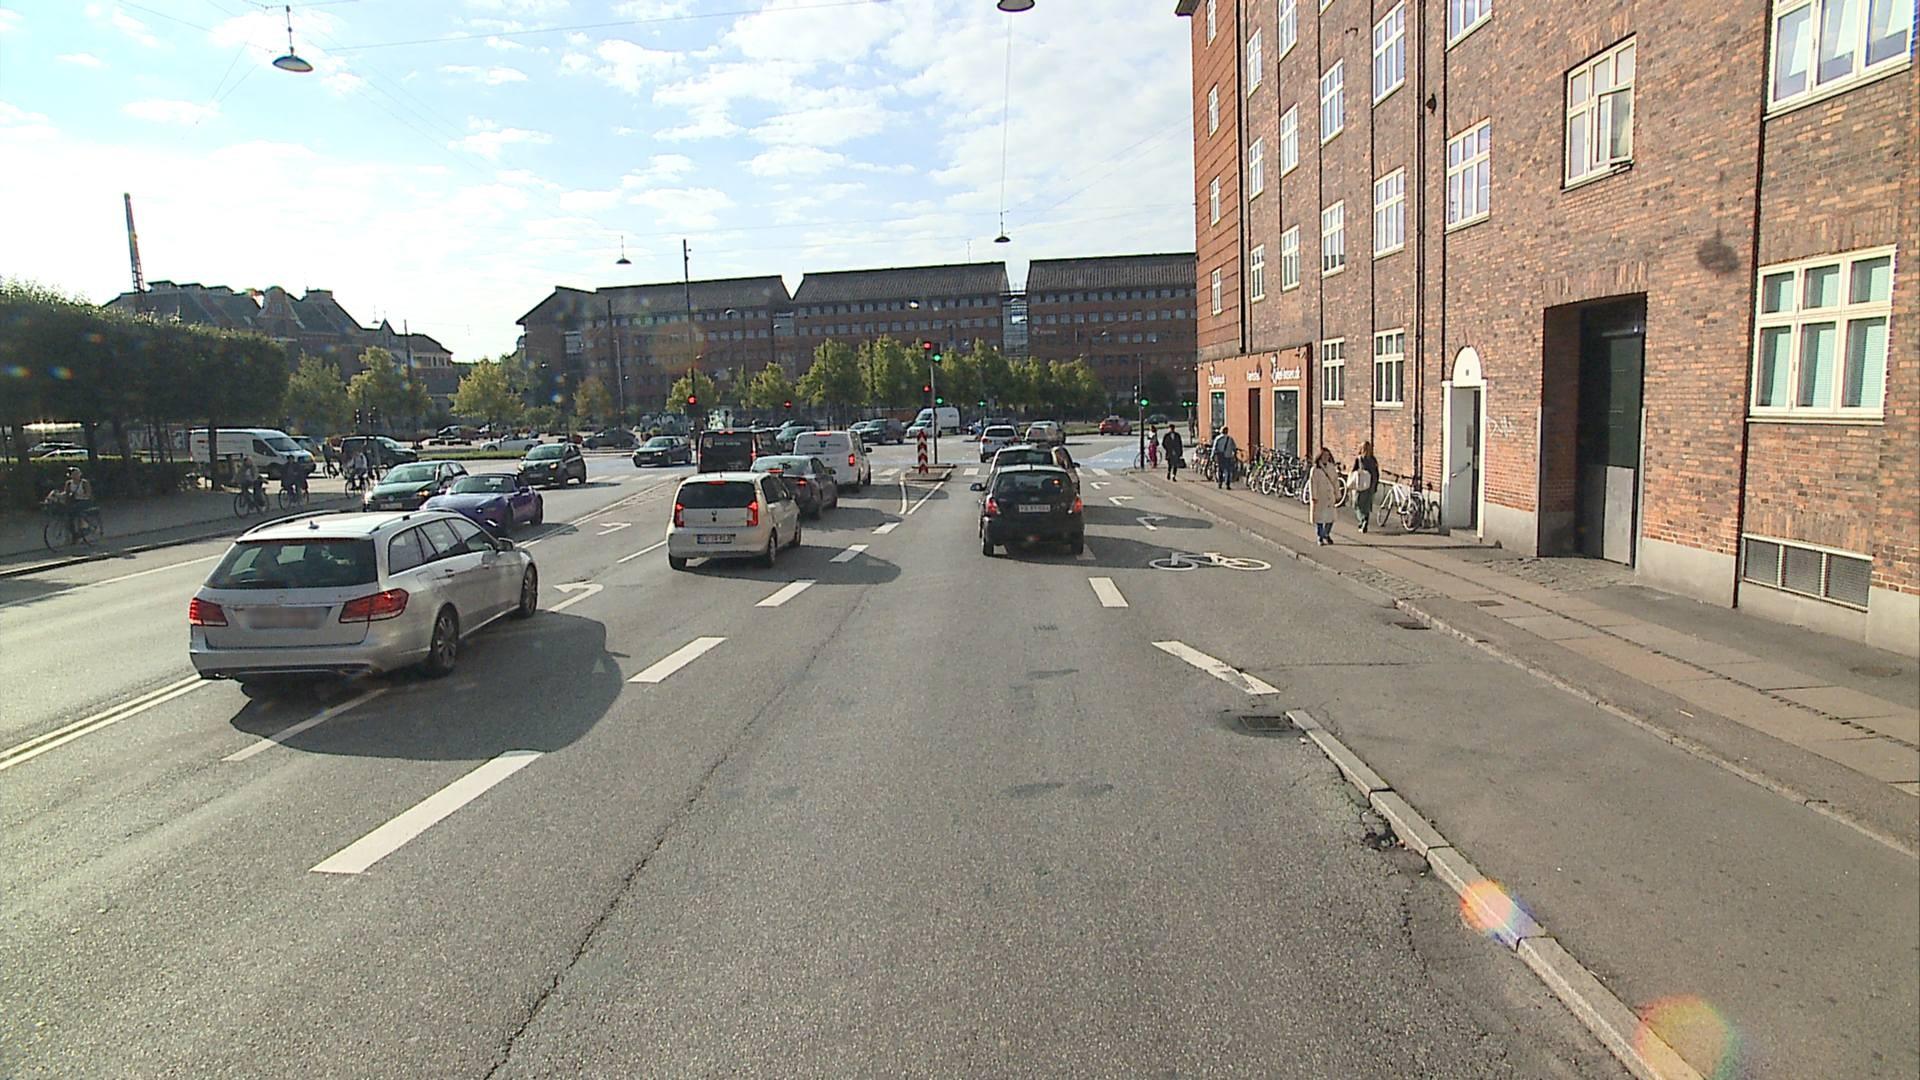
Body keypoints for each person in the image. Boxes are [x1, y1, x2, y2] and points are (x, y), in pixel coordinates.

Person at [1308, 447, 1340, 545]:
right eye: (1324, 456)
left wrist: (1337, 493)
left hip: (1329, 496)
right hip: (1320, 496)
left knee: (1331, 518)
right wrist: (1314, 496)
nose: (1326, 457)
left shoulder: (1331, 468)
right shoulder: (1315, 469)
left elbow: (1335, 481)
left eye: (1327, 456)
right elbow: (1312, 483)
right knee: (1320, 518)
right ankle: (1320, 537)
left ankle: (1326, 534)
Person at [1351, 440, 1379, 533]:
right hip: (1371, 485)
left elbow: (1353, 471)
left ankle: (1362, 521)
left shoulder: (1359, 459)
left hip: (1361, 485)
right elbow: (1377, 473)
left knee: (1357, 504)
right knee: (1367, 505)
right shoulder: (1373, 459)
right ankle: (1365, 520)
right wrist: (1375, 485)